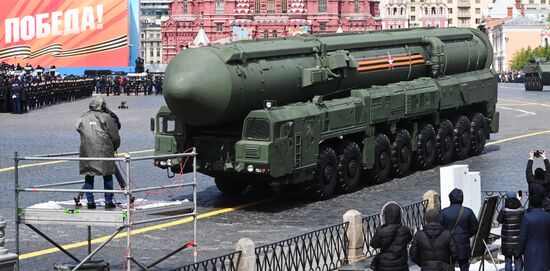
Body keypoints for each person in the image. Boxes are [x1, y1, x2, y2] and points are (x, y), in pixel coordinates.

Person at [76, 97, 120, 209]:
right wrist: (115, 146)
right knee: (108, 175)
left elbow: (77, 127)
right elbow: (114, 134)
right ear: (102, 106)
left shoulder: (83, 116)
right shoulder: (106, 117)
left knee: (89, 175)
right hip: (104, 150)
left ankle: (90, 201)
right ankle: (108, 201)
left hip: (86, 150)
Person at [439, 189, 479, 271]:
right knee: (464, 266)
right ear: (462, 199)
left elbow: (439, 228)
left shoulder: (444, 212)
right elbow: (475, 228)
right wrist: (466, 235)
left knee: (449, 266)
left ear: (450, 199)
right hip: (464, 244)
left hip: (448, 245)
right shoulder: (468, 211)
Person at [370, 201, 412, 271]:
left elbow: (373, 244)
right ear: (400, 215)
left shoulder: (381, 231)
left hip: (384, 266)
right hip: (401, 265)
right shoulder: (405, 230)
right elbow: (409, 240)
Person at [515, 193, 550, 271]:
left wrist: (518, 253)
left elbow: (522, 238)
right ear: (542, 203)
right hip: (545, 253)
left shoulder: (527, 217)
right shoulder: (548, 216)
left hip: (530, 254)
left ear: (531, 204)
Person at [496, 191, 524, 271]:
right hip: (518, 238)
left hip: (507, 240)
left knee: (508, 260)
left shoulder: (504, 209)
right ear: (516, 197)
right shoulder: (521, 209)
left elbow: (499, 220)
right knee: (518, 259)